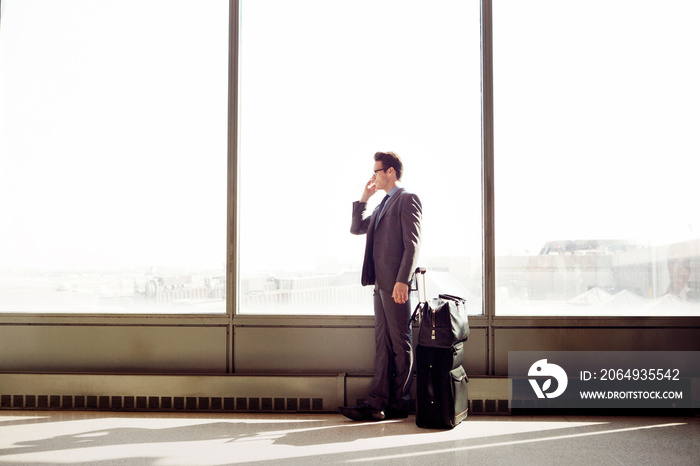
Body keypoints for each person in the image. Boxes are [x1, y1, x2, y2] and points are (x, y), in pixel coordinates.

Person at [339, 151, 422, 421]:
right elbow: (356, 228)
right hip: (380, 284)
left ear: (390, 172)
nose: (373, 175)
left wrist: (402, 280)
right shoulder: (380, 205)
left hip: (395, 283)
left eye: (377, 170)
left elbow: (413, 244)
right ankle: (377, 403)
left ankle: (399, 401)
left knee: (400, 342)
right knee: (383, 343)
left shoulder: (407, 199)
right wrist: (365, 198)